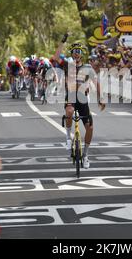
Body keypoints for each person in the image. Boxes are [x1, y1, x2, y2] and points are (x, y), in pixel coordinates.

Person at [55, 40, 105, 169]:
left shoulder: (88, 68)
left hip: (82, 99)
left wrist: (101, 98)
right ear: (71, 54)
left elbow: (96, 82)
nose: (76, 54)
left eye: (78, 52)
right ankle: (67, 137)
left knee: (90, 127)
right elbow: (55, 57)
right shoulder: (67, 64)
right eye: (74, 52)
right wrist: (62, 42)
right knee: (69, 112)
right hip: (71, 96)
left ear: (81, 54)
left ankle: (86, 155)